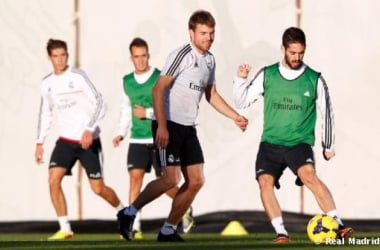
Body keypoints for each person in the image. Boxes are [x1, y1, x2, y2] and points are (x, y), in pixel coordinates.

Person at [117, 10, 248, 242]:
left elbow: (212, 94)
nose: (209, 38)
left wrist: (235, 116)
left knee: (197, 180)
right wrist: (162, 127)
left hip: (188, 127)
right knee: (170, 180)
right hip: (169, 125)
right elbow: (158, 88)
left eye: (211, 33)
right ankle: (129, 212)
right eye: (203, 33)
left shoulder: (209, 60)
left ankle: (168, 229)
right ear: (192, 33)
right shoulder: (182, 55)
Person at [233, 27, 354, 243]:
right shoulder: (267, 74)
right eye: (292, 53)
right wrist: (240, 80)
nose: (297, 57)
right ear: (283, 49)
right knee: (264, 182)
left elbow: (327, 111)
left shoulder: (313, 78)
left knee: (309, 175)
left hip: (299, 143)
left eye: (301, 53)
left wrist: (329, 145)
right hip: (270, 143)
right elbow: (242, 101)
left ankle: (339, 225)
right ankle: (281, 232)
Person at [35, 39, 124, 240]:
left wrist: (88, 129)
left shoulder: (78, 75)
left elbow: (101, 103)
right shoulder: (46, 83)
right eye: (56, 56)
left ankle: (123, 213)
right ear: (49, 57)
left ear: (67, 54)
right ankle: (65, 228)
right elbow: (46, 113)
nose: (60, 59)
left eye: (63, 55)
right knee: (53, 179)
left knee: (98, 188)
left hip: (88, 141)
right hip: (65, 141)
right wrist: (39, 142)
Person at [112, 37, 195, 239]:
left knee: (165, 181)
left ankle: (184, 208)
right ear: (131, 58)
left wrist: (148, 113)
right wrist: (120, 132)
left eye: (144, 56)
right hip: (137, 139)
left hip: (159, 138)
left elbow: (170, 107)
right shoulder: (127, 81)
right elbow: (126, 108)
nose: (140, 60)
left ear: (148, 55)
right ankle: (133, 227)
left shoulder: (160, 77)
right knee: (135, 180)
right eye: (136, 57)